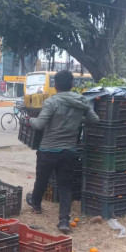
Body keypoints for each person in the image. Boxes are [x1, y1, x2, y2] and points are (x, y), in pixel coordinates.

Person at [26, 70, 99, 233]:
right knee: (65, 186)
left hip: (48, 150)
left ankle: (36, 205)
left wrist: (29, 119)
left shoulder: (52, 102)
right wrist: (78, 119)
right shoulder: (82, 101)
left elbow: (39, 124)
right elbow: (95, 120)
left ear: (56, 85)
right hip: (68, 150)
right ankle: (64, 220)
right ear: (72, 85)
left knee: (42, 180)